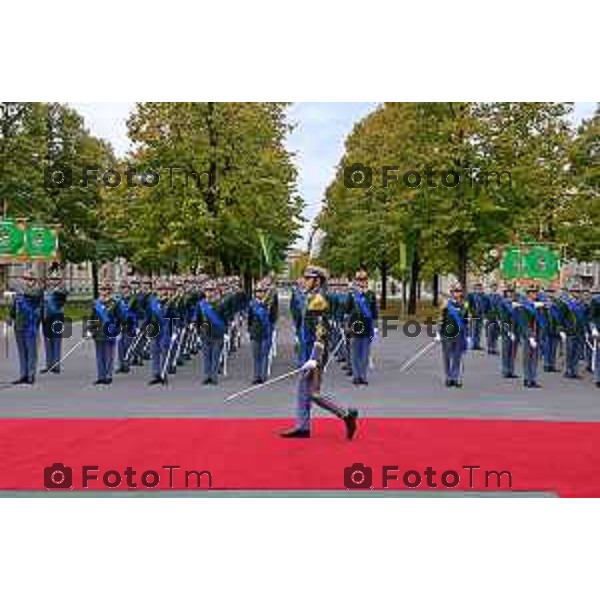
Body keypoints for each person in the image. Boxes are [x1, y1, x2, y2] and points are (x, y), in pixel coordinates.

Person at [280, 266, 358, 440]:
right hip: (307, 350)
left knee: (314, 393)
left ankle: (346, 415)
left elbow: (321, 331)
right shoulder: (311, 296)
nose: (304, 281)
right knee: (303, 389)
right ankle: (303, 427)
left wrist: (314, 358)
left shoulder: (318, 300)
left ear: (317, 281)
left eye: (308, 278)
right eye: (305, 278)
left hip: (315, 352)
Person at [9, 270, 43, 384]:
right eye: (26, 278)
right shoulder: (19, 292)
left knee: (31, 350)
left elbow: (35, 297)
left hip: (31, 325)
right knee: (22, 351)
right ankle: (23, 374)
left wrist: (21, 293)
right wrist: (10, 316)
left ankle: (30, 375)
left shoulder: (38, 291)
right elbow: (14, 306)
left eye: (31, 279)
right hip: (19, 324)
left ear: (35, 281)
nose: (28, 281)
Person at [346, 268, 378, 385]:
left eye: (364, 279)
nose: (361, 281)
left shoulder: (371, 294)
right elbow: (347, 310)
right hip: (354, 326)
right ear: (356, 281)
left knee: (365, 353)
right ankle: (356, 376)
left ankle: (363, 376)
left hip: (367, 326)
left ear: (367, 280)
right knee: (355, 353)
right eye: (359, 279)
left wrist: (375, 326)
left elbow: (374, 312)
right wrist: (346, 325)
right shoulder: (352, 295)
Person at [88, 280, 119, 385]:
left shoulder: (115, 303)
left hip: (110, 331)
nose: (104, 291)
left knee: (109, 355)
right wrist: (89, 330)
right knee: (99, 355)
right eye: (102, 289)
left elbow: (119, 318)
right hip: (98, 332)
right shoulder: (95, 303)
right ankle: (101, 376)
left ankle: (108, 375)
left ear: (110, 291)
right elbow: (92, 318)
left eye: (107, 289)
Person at [439, 282, 469, 387]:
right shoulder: (446, 304)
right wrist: (438, 333)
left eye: (459, 291)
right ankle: (448, 377)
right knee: (447, 356)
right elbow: (441, 318)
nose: (457, 293)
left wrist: (468, 335)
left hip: (460, 334)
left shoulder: (464, 305)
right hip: (447, 333)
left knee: (457, 356)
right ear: (451, 293)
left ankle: (455, 377)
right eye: (455, 291)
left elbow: (465, 321)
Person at [197, 280, 227, 384]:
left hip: (217, 334)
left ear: (215, 291)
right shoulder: (201, 304)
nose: (209, 292)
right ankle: (207, 376)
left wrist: (226, 332)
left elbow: (225, 318)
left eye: (211, 290)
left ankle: (213, 376)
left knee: (215, 356)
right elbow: (198, 319)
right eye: (207, 290)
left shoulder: (221, 304)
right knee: (206, 357)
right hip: (205, 333)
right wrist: (197, 332)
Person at [247, 282, 277, 384]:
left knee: (264, 355)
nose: (259, 293)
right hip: (255, 333)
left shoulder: (269, 304)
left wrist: (271, 329)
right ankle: (256, 376)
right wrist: (249, 331)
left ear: (265, 293)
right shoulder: (252, 304)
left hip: (266, 332)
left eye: (261, 291)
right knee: (256, 356)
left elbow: (273, 317)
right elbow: (250, 319)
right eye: (257, 291)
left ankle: (263, 376)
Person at [41, 269, 68, 374]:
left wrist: (56, 289)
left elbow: (63, 295)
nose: (53, 281)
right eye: (52, 279)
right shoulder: (45, 291)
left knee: (56, 340)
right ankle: (49, 364)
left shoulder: (61, 290)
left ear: (60, 280)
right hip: (46, 317)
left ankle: (56, 365)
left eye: (56, 279)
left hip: (58, 317)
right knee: (47, 341)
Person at [518, 285, 543, 388]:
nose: (535, 294)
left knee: (534, 358)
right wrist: (530, 336)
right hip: (529, 335)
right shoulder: (524, 306)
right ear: (528, 294)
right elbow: (524, 323)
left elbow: (541, 320)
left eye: (535, 292)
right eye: (532, 292)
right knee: (527, 358)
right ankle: (527, 379)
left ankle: (532, 378)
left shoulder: (537, 305)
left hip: (537, 334)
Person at [498, 286, 520, 379]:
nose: (510, 293)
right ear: (506, 293)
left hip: (516, 330)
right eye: (508, 292)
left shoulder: (517, 303)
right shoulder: (503, 303)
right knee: (506, 350)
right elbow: (503, 318)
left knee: (513, 351)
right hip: (507, 329)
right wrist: (508, 331)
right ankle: (505, 370)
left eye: (512, 292)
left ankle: (511, 370)